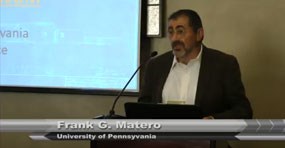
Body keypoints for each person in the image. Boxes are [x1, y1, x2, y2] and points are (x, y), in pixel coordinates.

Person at [138, 9, 252, 119]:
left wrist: (213, 120)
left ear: (199, 34)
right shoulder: (155, 65)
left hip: (206, 137)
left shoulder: (224, 65)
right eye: (171, 32)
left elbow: (243, 110)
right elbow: (142, 108)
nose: (174, 38)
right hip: (162, 138)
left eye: (180, 31)